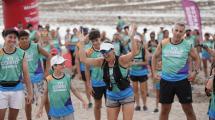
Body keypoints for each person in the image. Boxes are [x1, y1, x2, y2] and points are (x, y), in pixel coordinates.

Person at [78, 24, 139, 120]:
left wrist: (132, 37)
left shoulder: (121, 60)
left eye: (107, 51)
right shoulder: (101, 61)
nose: (105, 54)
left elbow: (134, 53)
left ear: (113, 50)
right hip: (112, 95)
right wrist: (81, 43)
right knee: (98, 106)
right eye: (103, 52)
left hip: (126, 95)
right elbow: (83, 59)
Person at [152, 22, 200, 120]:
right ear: (172, 31)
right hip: (166, 81)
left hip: (182, 81)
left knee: (188, 109)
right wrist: (154, 72)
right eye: (176, 30)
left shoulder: (187, 44)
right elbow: (155, 56)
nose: (178, 33)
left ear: (184, 34)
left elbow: (196, 58)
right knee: (165, 109)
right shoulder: (164, 43)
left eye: (180, 31)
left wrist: (195, 72)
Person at [37, 55, 87, 120]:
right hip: (54, 111)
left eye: (63, 64)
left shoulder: (67, 77)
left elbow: (74, 90)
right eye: (61, 64)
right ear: (54, 66)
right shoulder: (48, 79)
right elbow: (44, 94)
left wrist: (83, 100)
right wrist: (40, 108)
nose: (64, 66)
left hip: (68, 110)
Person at [0, 28, 33, 120]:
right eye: (10, 37)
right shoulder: (0, 53)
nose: (13, 39)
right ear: (4, 38)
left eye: (15, 37)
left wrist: (30, 93)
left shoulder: (21, 53)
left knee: (12, 118)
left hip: (17, 90)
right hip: (1, 89)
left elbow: (26, 74)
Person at [18, 30, 51, 120]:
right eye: (22, 39)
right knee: (28, 102)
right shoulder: (16, 49)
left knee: (46, 100)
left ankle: (50, 118)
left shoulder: (36, 46)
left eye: (26, 38)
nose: (25, 40)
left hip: (38, 78)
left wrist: (47, 71)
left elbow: (48, 56)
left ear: (29, 38)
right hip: (25, 80)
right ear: (18, 40)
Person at [85, 29, 106, 120]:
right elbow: (87, 69)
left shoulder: (106, 48)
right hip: (96, 82)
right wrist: (89, 84)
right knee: (97, 105)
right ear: (91, 41)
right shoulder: (89, 52)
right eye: (93, 41)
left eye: (97, 40)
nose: (96, 43)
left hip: (107, 81)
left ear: (100, 38)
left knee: (111, 105)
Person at [129, 35, 149, 111]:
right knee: (135, 90)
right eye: (135, 42)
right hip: (133, 73)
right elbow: (128, 62)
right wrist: (130, 63)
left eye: (138, 42)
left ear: (140, 42)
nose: (136, 43)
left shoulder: (144, 51)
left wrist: (136, 63)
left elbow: (146, 62)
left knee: (143, 90)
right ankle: (138, 105)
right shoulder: (131, 52)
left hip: (142, 73)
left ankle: (144, 105)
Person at [75, 27, 93, 108]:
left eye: (86, 34)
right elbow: (77, 60)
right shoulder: (79, 45)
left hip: (93, 68)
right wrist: (78, 73)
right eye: (83, 34)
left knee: (94, 85)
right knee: (86, 85)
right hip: (83, 69)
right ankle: (90, 101)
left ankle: (96, 99)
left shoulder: (92, 43)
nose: (85, 36)